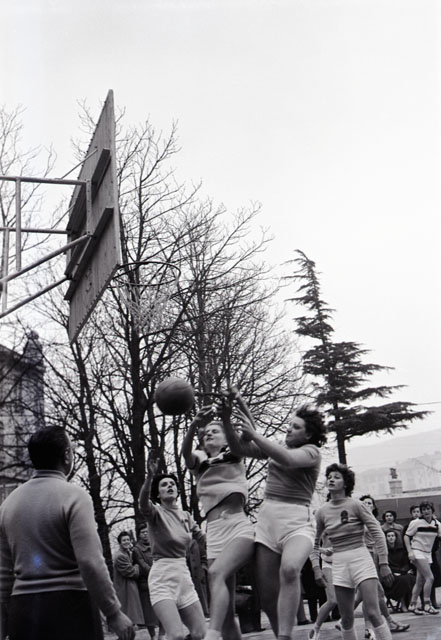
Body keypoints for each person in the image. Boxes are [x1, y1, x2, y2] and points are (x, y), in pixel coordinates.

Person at [0, 425, 134, 640]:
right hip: (70, 607)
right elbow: (90, 562)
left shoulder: (8, 504)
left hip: (23, 611)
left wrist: (5, 621)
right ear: (66, 455)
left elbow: (4, 573)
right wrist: (113, 612)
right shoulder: (75, 496)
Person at [223, 389, 327, 640]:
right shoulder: (276, 447)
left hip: (297, 522)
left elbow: (288, 459)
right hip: (268, 522)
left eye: (296, 427)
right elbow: (239, 446)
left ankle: (285, 636)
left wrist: (254, 433)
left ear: (308, 434)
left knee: (290, 569)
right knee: (268, 596)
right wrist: (228, 417)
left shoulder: (311, 452)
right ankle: (282, 632)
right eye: (290, 425)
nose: (289, 429)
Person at [181, 404, 255, 640]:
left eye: (215, 430)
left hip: (238, 525)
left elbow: (250, 432)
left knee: (215, 573)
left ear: (225, 437)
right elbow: (185, 453)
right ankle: (220, 631)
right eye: (206, 433)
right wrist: (194, 425)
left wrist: (238, 404)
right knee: (227, 614)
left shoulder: (234, 452)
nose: (209, 434)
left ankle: (211, 635)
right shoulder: (199, 460)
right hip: (214, 532)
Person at [313, 463, 395, 640]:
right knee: (347, 618)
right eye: (329, 477)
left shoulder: (357, 505)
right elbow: (314, 542)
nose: (331, 480)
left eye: (336, 477)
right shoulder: (322, 512)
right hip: (339, 564)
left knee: (373, 612)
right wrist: (316, 567)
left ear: (346, 483)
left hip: (361, 559)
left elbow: (378, 533)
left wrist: (384, 562)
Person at [138, 457, 207, 640]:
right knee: (175, 635)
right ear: (158, 494)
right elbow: (143, 503)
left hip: (183, 577)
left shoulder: (186, 516)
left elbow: (203, 540)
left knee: (201, 633)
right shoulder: (155, 513)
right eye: (164, 485)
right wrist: (150, 477)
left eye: (172, 484)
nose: (169, 486)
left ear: (177, 490)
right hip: (162, 577)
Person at [357, 495, 409, 636]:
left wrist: (382, 562)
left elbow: (380, 542)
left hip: (374, 556)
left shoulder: (374, 521)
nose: (367, 505)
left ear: (374, 506)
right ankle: (387, 622)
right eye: (364, 503)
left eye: (370, 503)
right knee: (373, 592)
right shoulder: (359, 520)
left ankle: (367, 626)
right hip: (364, 556)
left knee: (371, 593)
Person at [404, 501, 441, 615]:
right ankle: (427, 605)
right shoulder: (416, 523)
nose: (426, 511)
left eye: (428, 509)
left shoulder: (437, 524)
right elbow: (406, 536)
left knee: (420, 581)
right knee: (430, 578)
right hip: (417, 551)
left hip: (428, 554)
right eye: (423, 509)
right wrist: (410, 552)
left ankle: (412, 605)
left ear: (432, 510)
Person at [309, 530, 339, 640]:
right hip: (328, 562)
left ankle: (345, 623)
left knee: (349, 598)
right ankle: (316, 628)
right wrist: (323, 550)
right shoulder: (321, 522)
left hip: (345, 561)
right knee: (332, 600)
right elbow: (312, 545)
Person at [113, 531, 145, 629]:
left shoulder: (127, 553)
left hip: (128, 586)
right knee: (128, 611)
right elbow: (132, 572)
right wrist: (137, 565)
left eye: (128, 539)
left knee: (130, 611)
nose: (126, 542)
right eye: (124, 540)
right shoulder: (120, 556)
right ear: (120, 542)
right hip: (124, 587)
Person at [132, 523, 158, 640]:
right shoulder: (136, 550)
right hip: (145, 584)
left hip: (158, 581)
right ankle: (153, 635)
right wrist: (156, 573)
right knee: (149, 614)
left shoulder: (155, 544)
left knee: (162, 608)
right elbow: (142, 565)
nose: (146, 534)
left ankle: (161, 635)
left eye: (147, 531)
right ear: (139, 535)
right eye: (143, 532)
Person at [384, 531, 416, 612]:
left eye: (392, 536)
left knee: (412, 578)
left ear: (396, 537)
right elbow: (387, 565)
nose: (391, 538)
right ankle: (403, 604)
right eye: (388, 536)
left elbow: (406, 563)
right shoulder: (384, 551)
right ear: (386, 538)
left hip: (403, 572)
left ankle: (411, 603)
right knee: (402, 580)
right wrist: (396, 572)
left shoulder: (401, 550)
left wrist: (404, 571)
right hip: (391, 574)